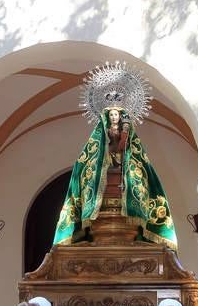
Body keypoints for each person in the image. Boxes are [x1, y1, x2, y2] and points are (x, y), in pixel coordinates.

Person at [53, 106, 177, 250]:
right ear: (107, 117)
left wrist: (125, 135)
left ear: (120, 116)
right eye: (111, 115)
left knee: (134, 174)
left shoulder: (126, 131)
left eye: (116, 114)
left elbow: (133, 155)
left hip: (121, 170)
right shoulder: (102, 134)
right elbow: (87, 162)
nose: (114, 117)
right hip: (107, 172)